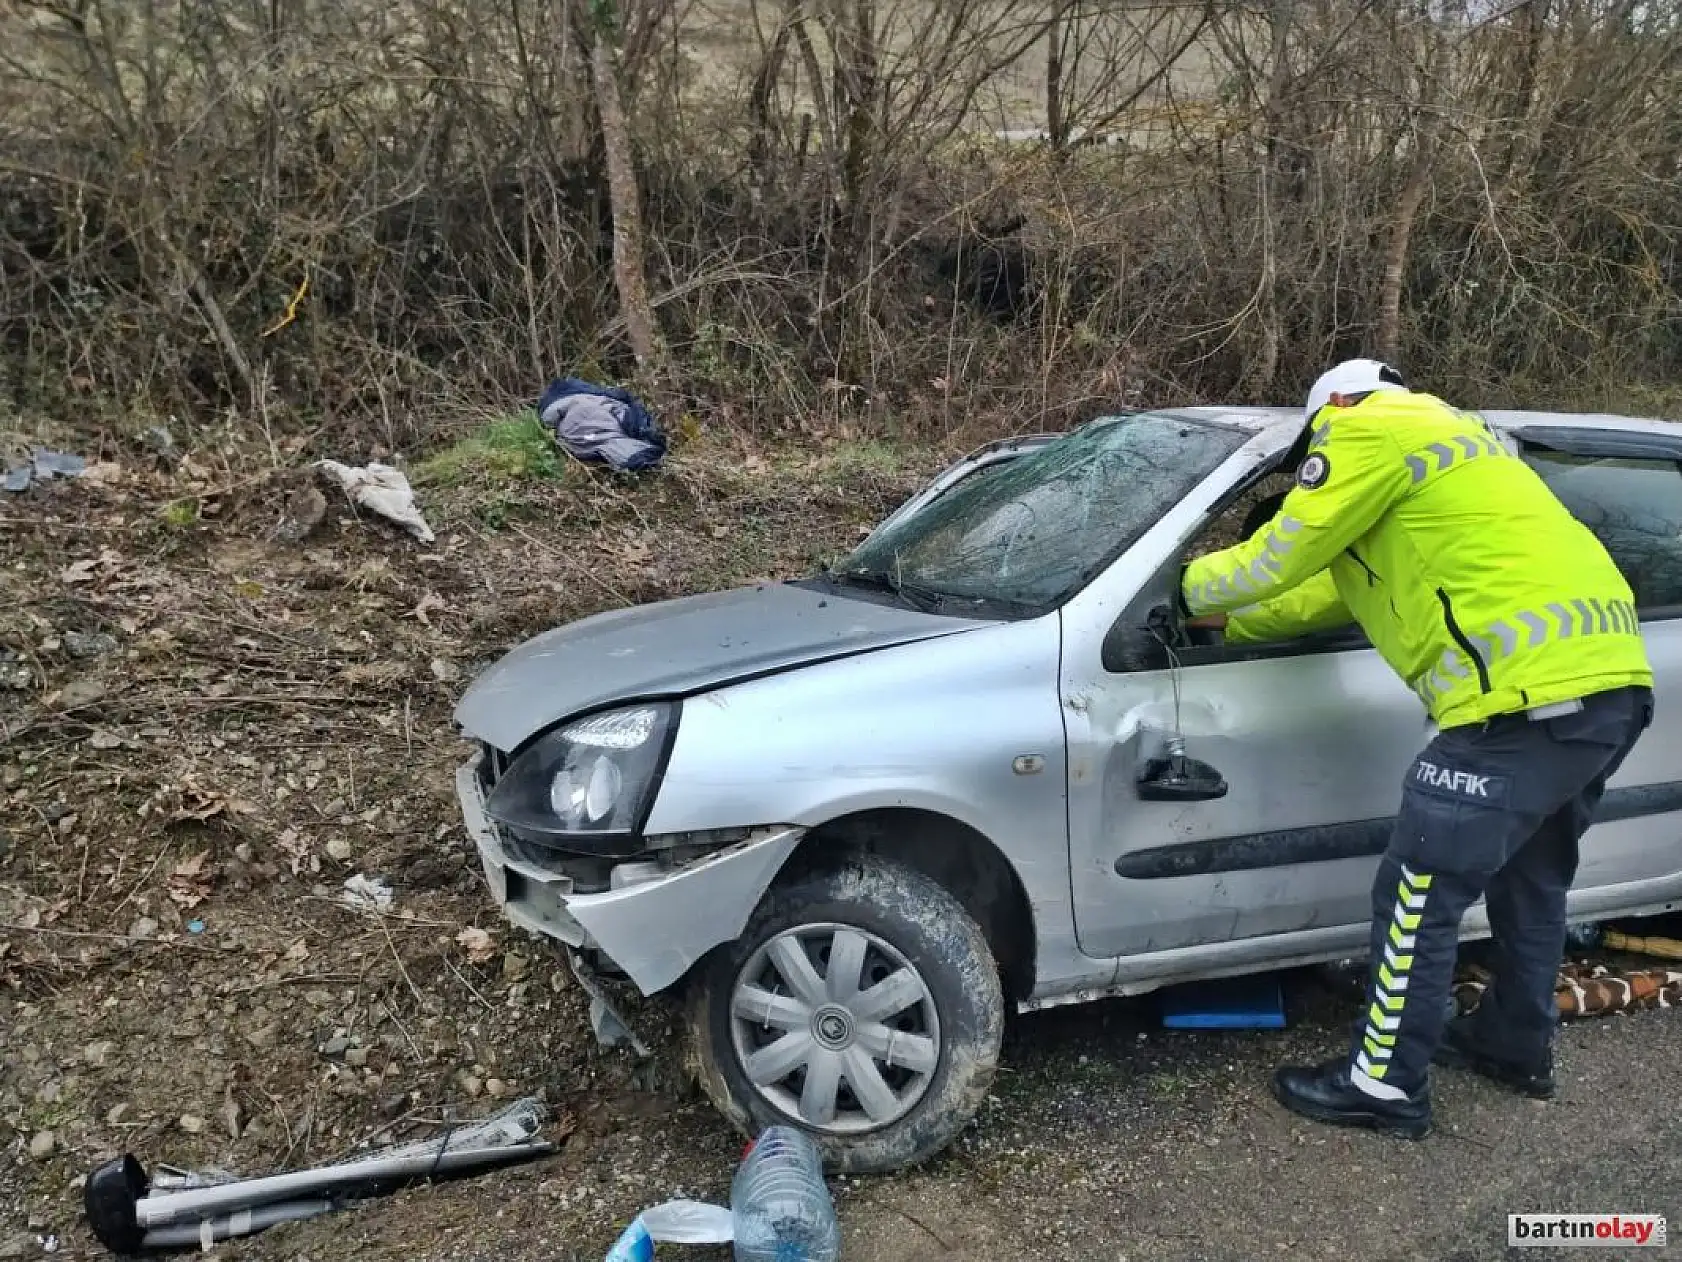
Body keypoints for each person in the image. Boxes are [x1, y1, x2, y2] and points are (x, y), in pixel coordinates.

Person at [1179, 358, 1655, 1138]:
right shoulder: (1465, 451)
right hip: (1609, 690)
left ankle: (1386, 1086)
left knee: (1416, 893)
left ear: (1331, 405)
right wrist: (1230, 625)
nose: (1309, 471)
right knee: (1533, 885)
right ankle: (1513, 1044)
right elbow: (1315, 594)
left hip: (1518, 707)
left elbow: (1277, 557)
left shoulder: (1364, 427)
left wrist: (1180, 591)